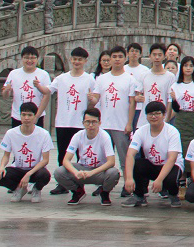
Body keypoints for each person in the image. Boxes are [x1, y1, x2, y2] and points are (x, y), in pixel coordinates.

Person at [90, 45, 136, 193]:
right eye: (114, 57)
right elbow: (96, 98)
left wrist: (129, 123)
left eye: (120, 57)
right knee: (103, 158)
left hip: (121, 124)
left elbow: (132, 103)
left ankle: (127, 184)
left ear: (125, 59)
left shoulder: (130, 79)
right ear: (110, 59)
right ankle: (103, 185)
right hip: (104, 125)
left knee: (124, 157)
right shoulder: (102, 78)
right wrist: (92, 98)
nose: (117, 60)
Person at [49, 47, 95, 190]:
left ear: (85, 61)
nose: (76, 62)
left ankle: (80, 182)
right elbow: (48, 91)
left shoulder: (89, 79)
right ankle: (63, 182)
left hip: (81, 124)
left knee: (81, 156)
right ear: (70, 59)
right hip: (63, 122)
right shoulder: (61, 78)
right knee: (62, 153)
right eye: (74, 59)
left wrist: (91, 100)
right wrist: (38, 86)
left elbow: (94, 102)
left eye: (80, 59)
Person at [53, 108, 120, 204]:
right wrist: (76, 172)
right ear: (83, 123)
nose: (91, 125)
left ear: (99, 123)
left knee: (113, 173)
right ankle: (77, 191)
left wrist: (92, 172)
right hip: (83, 169)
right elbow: (66, 160)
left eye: (94, 122)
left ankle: (104, 192)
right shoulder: (78, 135)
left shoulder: (104, 136)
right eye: (87, 122)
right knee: (59, 172)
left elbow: (111, 161)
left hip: (99, 171)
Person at [124, 101, 183, 207]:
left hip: (170, 166)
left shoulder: (172, 132)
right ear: (146, 116)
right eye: (150, 114)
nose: (154, 116)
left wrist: (159, 180)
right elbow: (130, 154)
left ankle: (173, 195)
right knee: (137, 164)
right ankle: (139, 196)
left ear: (164, 115)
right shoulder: (141, 131)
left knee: (171, 178)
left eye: (157, 113)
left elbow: (172, 159)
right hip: (153, 164)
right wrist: (128, 178)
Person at [0, 102, 54, 202]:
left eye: (29, 115)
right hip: (18, 168)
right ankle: (18, 189)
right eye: (24, 115)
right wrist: (1, 167)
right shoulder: (11, 133)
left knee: (45, 175)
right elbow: (6, 155)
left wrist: (28, 174)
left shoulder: (43, 134)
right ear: (19, 116)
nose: (26, 118)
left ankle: (36, 189)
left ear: (35, 117)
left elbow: (45, 160)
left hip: (35, 170)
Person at [3, 46, 52, 130]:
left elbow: (47, 95)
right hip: (18, 115)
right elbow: (5, 96)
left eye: (33, 58)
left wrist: (36, 116)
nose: (29, 61)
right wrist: (6, 90)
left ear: (37, 59)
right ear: (22, 58)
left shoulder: (43, 74)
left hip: (36, 116)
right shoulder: (13, 74)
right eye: (26, 58)